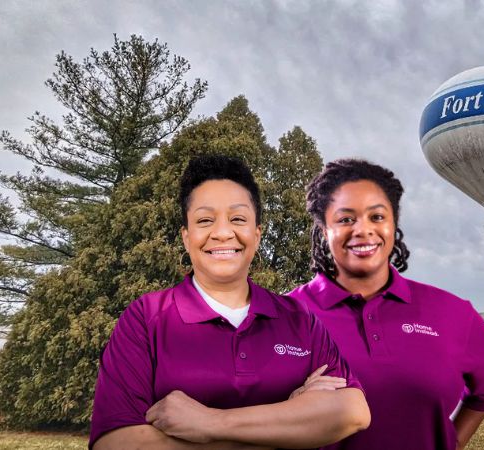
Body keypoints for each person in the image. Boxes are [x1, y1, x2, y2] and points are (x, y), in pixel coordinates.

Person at [90, 154, 370, 449]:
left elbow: (353, 412)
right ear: (186, 237)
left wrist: (210, 423)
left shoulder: (300, 319)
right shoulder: (145, 319)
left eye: (238, 219)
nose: (223, 233)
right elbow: (115, 443)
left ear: (257, 234)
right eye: (205, 220)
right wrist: (289, 422)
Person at [288, 159, 484, 450]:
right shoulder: (284, 316)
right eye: (345, 219)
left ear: (394, 223)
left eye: (377, 217)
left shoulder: (451, 313)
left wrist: (452, 440)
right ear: (323, 228)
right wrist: (290, 405)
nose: (363, 230)